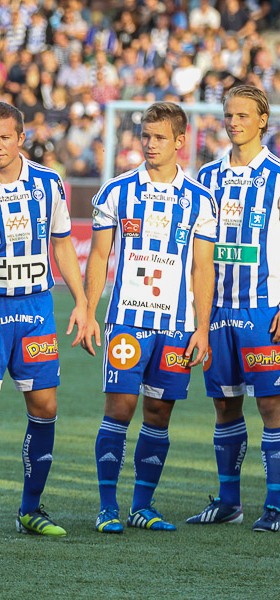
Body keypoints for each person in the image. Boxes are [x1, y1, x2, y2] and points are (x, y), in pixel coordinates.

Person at [83, 101, 216, 534]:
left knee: (159, 414)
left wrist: (201, 327)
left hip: (176, 327)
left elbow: (202, 268)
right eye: (146, 135)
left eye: (160, 137)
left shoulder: (200, 200)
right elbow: (99, 256)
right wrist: (89, 311)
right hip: (126, 322)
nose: (150, 144)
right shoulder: (116, 191)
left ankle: (143, 505)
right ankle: (107, 507)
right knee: (119, 410)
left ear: (180, 141)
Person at [0, 101, 87, 538]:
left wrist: (83, 302)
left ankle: (31, 509)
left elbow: (64, 245)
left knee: (45, 405)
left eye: (4, 137)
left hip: (36, 310)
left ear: (21, 138)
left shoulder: (49, 183)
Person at [189, 85, 280, 532]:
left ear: (263, 120)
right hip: (217, 312)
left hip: (265, 311)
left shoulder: (278, 175)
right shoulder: (205, 178)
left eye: (244, 115)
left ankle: (276, 505)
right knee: (224, 406)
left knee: (272, 407)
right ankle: (229, 502)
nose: (234, 122)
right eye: (229, 115)